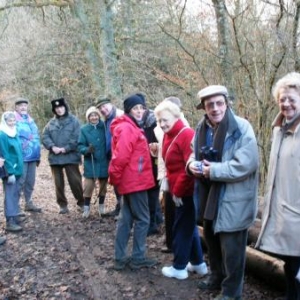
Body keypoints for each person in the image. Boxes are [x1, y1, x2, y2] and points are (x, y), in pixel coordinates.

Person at [187, 85, 259, 300]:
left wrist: (213, 170)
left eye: (219, 103)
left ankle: (231, 292)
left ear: (227, 103)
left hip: (234, 200)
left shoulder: (241, 128)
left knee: (232, 250)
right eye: (210, 105)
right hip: (209, 198)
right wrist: (191, 165)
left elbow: (246, 165)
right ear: (204, 108)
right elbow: (192, 153)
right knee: (212, 240)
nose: (215, 108)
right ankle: (216, 277)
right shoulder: (201, 128)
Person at [256, 72, 300, 300]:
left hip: (297, 214)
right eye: (282, 99)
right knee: (291, 267)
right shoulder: (279, 129)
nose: (286, 103)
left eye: (292, 99)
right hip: (282, 212)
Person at [154, 100, 207, 280]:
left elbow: (190, 167)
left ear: (176, 117)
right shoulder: (168, 135)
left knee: (180, 228)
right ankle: (199, 264)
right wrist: (168, 183)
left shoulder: (187, 135)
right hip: (176, 188)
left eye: (165, 120)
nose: (162, 124)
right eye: (159, 121)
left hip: (186, 190)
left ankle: (179, 267)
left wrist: (178, 190)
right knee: (188, 226)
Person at [109, 93, 157, 270]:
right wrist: (114, 177)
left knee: (126, 219)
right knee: (143, 219)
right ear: (128, 110)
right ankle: (138, 257)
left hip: (131, 181)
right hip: (134, 182)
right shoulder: (128, 128)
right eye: (135, 108)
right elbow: (120, 157)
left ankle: (120, 258)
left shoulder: (130, 126)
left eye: (141, 108)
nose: (139, 111)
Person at [151, 96, 189, 253]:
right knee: (168, 210)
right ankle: (171, 242)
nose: (162, 122)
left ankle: (177, 247)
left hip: (177, 179)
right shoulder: (163, 127)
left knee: (177, 213)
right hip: (166, 174)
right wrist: (155, 151)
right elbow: (166, 150)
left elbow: (184, 158)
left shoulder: (184, 129)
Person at [42, 98, 84, 214]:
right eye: (56, 108)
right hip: (55, 157)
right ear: (54, 110)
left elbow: (77, 137)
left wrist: (66, 148)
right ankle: (62, 205)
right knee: (58, 183)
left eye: (61, 107)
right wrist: (52, 147)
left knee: (75, 181)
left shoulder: (74, 121)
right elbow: (45, 136)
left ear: (65, 107)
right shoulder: (51, 123)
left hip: (71, 156)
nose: (59, 110)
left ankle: (81, 202)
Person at [78, 106, 109, 218]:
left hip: (104, 160)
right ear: (88, 117)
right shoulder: (84, 129)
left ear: (99, 116)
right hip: (90, 160)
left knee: (103, 185)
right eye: (91, 115)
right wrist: (87, 150)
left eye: (96, 115)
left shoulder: (105, 127)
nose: (94, 117)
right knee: (88, 185)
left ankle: (101, 206)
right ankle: (86, 208)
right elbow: (80, 145)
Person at [96, 97, 123, 216]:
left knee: (122, 183)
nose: (103, 109)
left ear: (111, 104)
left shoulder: (120, 116)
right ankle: (119, 207)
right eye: (100, 108)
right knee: (116, 182)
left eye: (104, 106)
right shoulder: (106, 120)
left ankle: (124, 211)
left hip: (119, 154)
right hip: (110, 155)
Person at [14, 97, 42, 214]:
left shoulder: (30, 120)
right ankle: (15, 206)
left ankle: (28, 203)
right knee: (20, 181)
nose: (23, 107)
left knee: (30, 181)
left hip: (33, 156)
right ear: (16, 107)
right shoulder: (13, 120)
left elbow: (36, 136)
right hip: (21, 156)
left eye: (25, 105)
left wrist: (39, 154)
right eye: (20, 105)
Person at [141, 103, 163, 236]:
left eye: (140, 108)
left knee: (152, 193)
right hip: (147, 162)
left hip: (155, 163)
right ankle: (157, 219)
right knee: (151, 193)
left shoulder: (155, 124)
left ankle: (153, 223)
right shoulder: (142, 124)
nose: (138, 112)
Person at [0, 112, 24, 232]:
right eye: (10, 121)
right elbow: (5, 154)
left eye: (14, 120)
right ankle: (10, 221)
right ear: (5, 121)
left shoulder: (15, 132)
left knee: (15, 194)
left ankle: (15, 216)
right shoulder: (2, 134)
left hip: (18, 169)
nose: (12, 123)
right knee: (10, 195)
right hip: (10, 171)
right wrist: (10, 172)